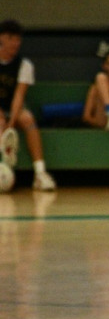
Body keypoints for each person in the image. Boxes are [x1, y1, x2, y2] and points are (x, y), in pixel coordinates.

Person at [0, 20, 56, 191]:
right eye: (11, 38)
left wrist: (11, 123)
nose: (15, 43)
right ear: (1, 39)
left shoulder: (24, 65)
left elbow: (19, 95)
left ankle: (40, 173)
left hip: (13, 108)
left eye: (18, 39)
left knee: (28, 118)